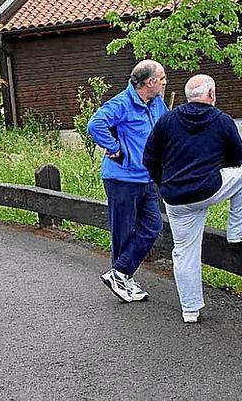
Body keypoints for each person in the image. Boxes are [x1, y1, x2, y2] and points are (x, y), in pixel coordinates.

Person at [142, 74, 242, 323]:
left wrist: (163, 182)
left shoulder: (167, 120)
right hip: (208, 189)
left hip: (175, 198)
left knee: (184, 252)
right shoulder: (222, 121)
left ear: (188, 96)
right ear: (211, 95)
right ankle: (239, 229)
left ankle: (190, 310)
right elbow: (237, 159)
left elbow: (149, 158)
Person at [87, 60, 168, 303]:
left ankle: (119, 273)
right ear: (150, 82)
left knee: (153, 225)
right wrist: (115, 149)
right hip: (121, 178)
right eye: (162, 78)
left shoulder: (156, 103)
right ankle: (123, 278)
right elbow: (95, 124)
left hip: (146, 177)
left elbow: (165, 128)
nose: (165, 82)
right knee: (122, 232)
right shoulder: (122, 103)